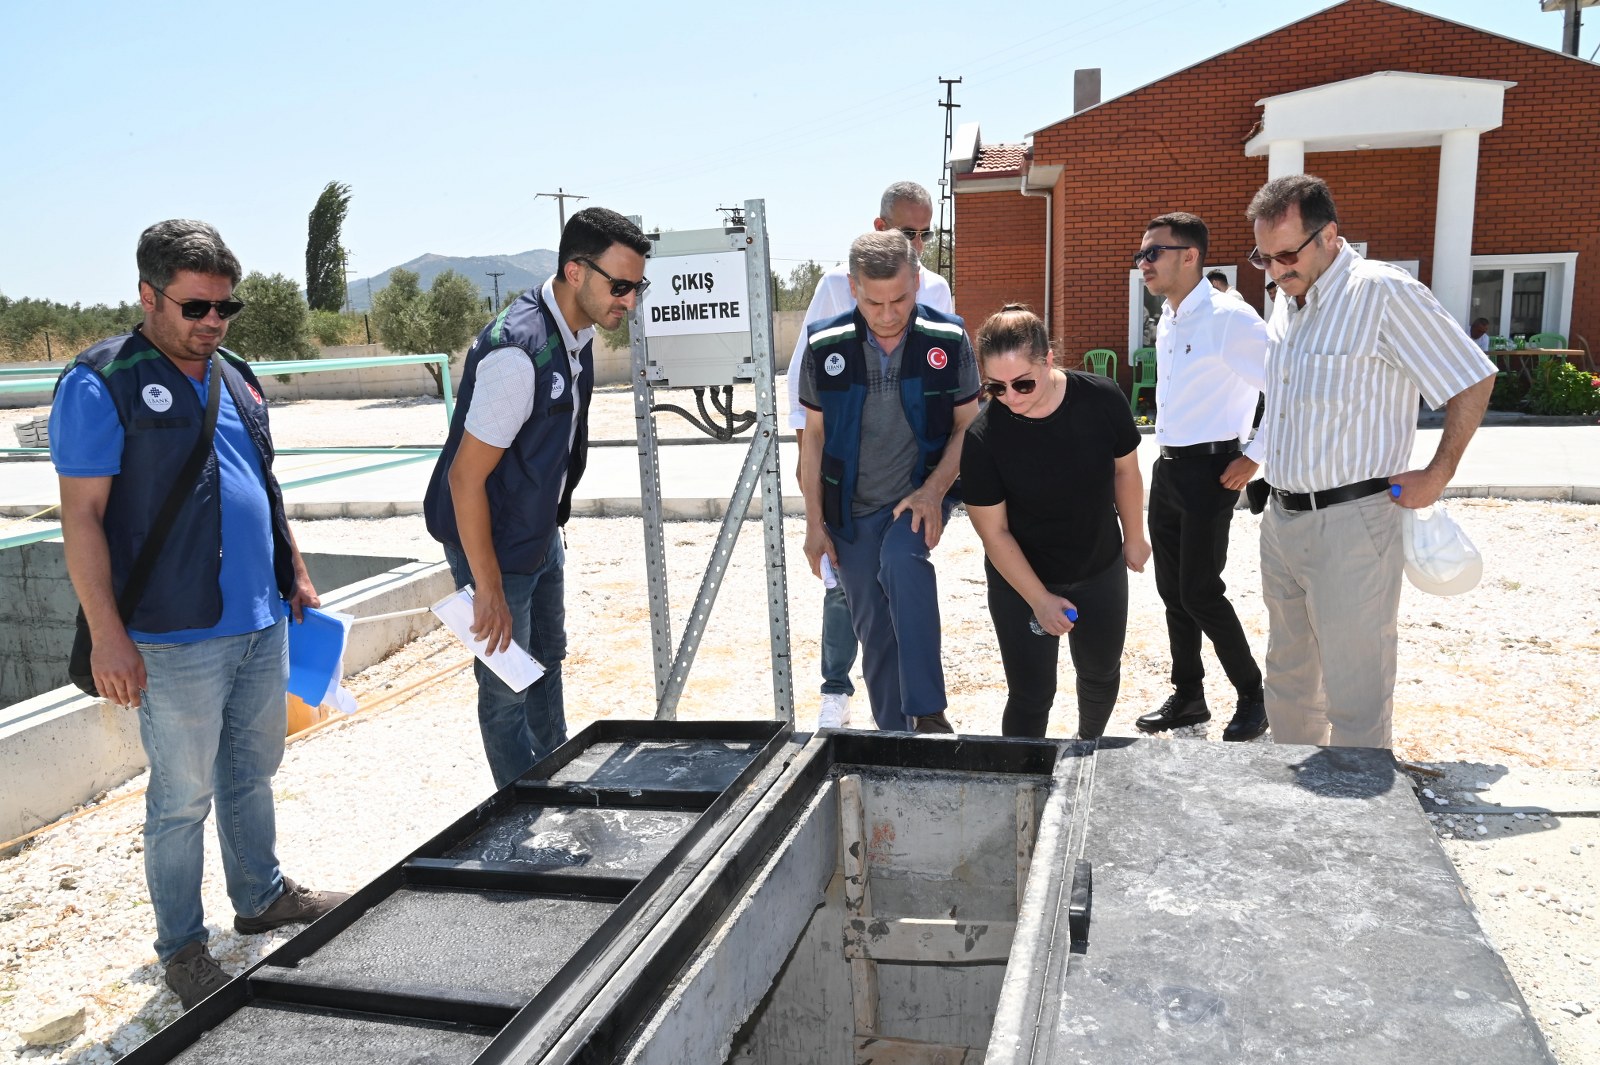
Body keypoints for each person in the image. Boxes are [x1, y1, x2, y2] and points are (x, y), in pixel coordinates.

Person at [49, 219, 348, 1010]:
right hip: (172, 636)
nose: (212, 321)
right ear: (148, 296)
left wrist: (297, 573)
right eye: (194, 307)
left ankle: (261, 895)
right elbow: (80, 519)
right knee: (180, 798)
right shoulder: (99, 381)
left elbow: (264, 484)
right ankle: (182, 946)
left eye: (225, 306)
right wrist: (109, 635)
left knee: (252, 772)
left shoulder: (237, 373)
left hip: (258, 621)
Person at [1240, 175, 1496, 748]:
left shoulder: (1382, 293)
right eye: (1264, 257)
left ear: (1329, 235)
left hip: (1353, 525)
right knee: (1288, 678)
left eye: (1287, 254)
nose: (1276, 270)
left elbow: (1472, 376)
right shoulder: (1289, 303)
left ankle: (1361, 824)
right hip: (1282, 520)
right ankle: (1296, 810)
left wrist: (1438, 473)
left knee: (1356, 690)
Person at [424, 207, 650, 787]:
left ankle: (557, 780)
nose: (629, 299)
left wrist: (549, 530)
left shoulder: (577, 333)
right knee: (504, 691)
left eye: (637, 286)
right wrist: (489, 587)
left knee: (547, 664)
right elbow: (464, 479)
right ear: (576, 273)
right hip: (493, 546)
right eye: (620, 285)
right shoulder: (517, 354)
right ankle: (521, 817)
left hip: (538, 534)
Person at [785, 181, 952, 729]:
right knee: (854, 599)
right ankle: (844, 692)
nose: (919, 243)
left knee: (900, 569)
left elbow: (952, 398)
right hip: (845, 478)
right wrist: (812, 482)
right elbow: (805, 389)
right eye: (909, 231)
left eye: (927, 232)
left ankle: (922, 717)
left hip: (907, 479)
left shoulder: (938, 293)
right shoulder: (837, 286)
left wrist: (936, 484)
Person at [961, 305, 1149, 739]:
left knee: (1100, 674)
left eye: (1023, 382)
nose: (1011, 396)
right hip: (1021, 581)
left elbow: (1126, 471)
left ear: (1048, 361)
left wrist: (1135, 536)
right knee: (1030, 695)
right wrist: (1039, 600)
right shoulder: (982, 438)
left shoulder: (1101, 398)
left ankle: (1089, 751)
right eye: (995, 387)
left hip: (1098, 568)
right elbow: (995, 533)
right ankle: (1023, 783)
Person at [1132, 213, 1270, 741]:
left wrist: (1256, 455)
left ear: (1189, 256)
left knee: (1201, 592)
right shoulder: (1170, 317)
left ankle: (1254, 695)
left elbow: (1286, 388)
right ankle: (1189, 696)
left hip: (1215, 469)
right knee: (1173, 591)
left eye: (1153, 253)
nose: (1142, 263)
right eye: (1141, 254)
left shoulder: (1230, 318)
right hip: (1168, 465)